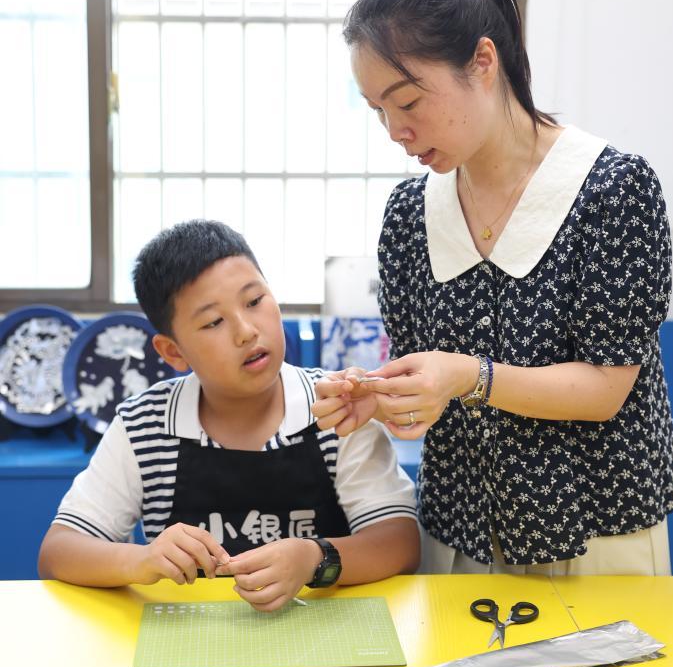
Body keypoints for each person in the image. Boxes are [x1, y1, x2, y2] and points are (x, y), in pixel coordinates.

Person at [312, 0, 673, 577]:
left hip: (598, 537)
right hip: (459, 541)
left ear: (483, 61)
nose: (395, 131)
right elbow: (425, 389)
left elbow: (606, 389)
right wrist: (382, 399)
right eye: (378, 111)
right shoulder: (409, 214)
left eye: (408, 102)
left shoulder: (611, 189)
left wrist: (468, 375)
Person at [38, 220, 419, 609]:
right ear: (173, 352)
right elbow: (58, 552)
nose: (246, 331)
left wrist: (315, 558)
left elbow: (399, 542)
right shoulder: (143, 426)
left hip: (325, 635)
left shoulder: (336, 407)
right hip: (188, 636)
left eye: (254, 301)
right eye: (213, 322)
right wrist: (143, 559)